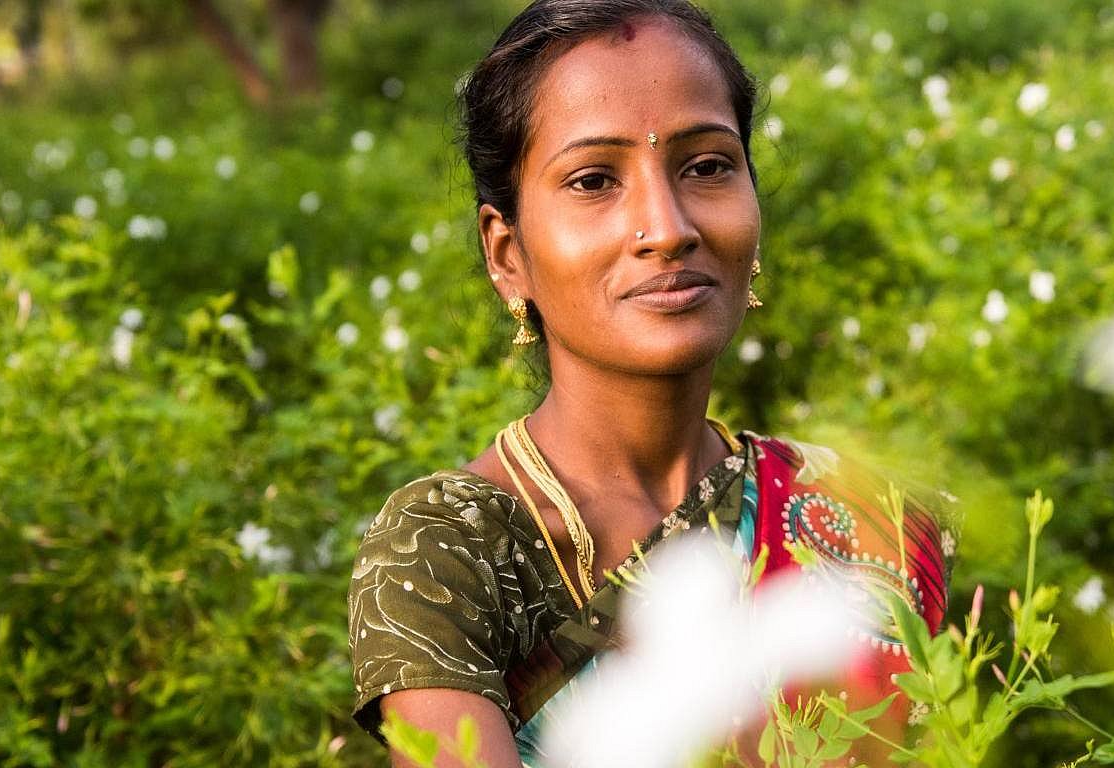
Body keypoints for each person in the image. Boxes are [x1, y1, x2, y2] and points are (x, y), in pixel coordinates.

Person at [345, 1, 952, 764]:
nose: (667, 227)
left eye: (706, 167)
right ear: (508, 255)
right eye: (595, 180)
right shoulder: (448, 551)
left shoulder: (863, 517)